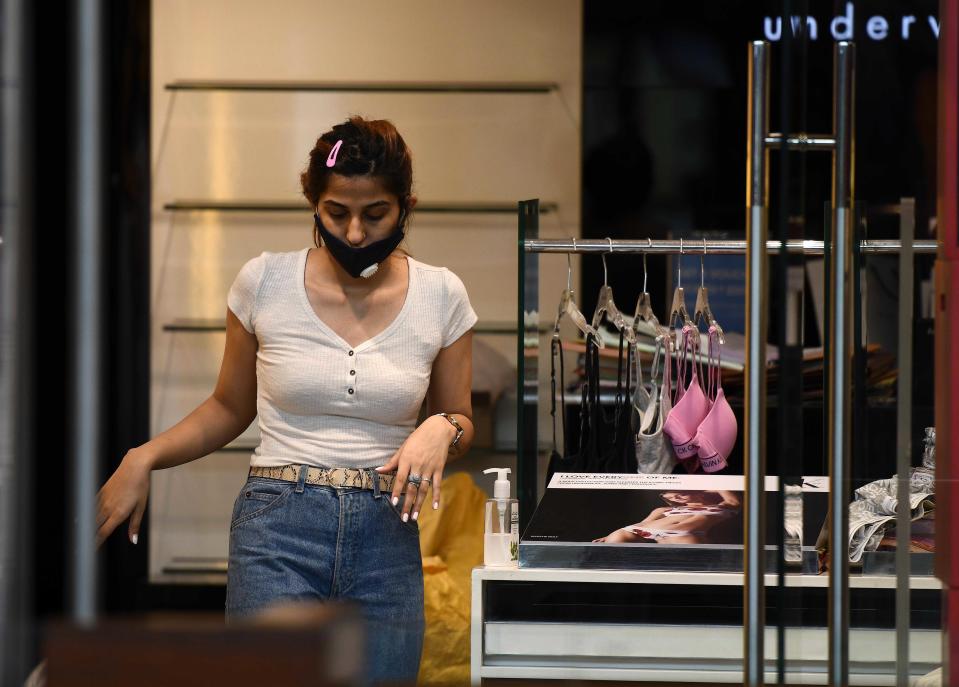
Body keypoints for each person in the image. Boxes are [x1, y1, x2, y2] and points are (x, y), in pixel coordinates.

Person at [94, 116, 478, 685]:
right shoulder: (264, 283)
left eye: (375, 214)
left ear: (406, 206)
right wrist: (143, 456)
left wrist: (442, 428)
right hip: (278, 525)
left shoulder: (441, 294)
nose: (354, 233)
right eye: (336, 213)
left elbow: (462, 420)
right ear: (312, 202)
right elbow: (229, 407)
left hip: (387, 531)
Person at [592, 490, 740, 545]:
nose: (675, 496)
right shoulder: (664, 509)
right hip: (640, 531)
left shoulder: (717, 507)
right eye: (668, 494)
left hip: (683, 536)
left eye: (680, 491)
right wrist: (609, 535)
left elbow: (735, 502)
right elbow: (642, 524)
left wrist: (707, 485)